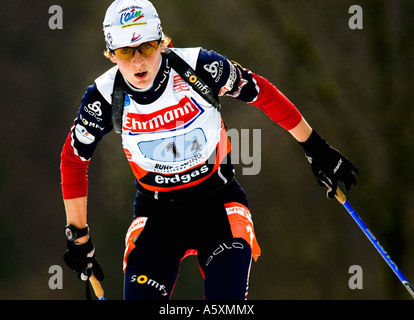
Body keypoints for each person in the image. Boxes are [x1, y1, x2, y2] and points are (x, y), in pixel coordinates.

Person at [60, 0, 358, 300]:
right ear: (111, 54)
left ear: (162, 43)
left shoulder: (201, 67)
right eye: (126, 51)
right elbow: (73, 160)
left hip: (218, 204)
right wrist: (79, 237)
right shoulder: (103, 98)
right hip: (158, 215)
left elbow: (262, 93)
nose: (138, 61)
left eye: (147, 47)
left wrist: (315, 147)